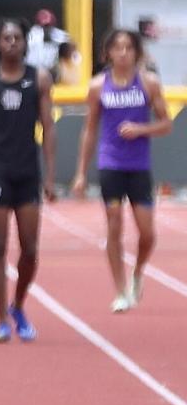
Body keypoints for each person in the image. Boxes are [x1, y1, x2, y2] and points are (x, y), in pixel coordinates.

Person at [71, 29, 171, 313]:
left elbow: (166, 124)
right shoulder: (98, 86)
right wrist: (80, 172)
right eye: (118, 48)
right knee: (114, 225)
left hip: (139, 166)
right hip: (110, 164)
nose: (123, 53)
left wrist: (142, 129)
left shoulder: (148, 84)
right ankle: (120, 290)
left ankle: (138, 271)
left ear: (136, 52)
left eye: (128, 48)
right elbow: (89, 130)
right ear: (108, 53)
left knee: (147, 233)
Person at [0, 19, 56, 343]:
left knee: (31, 248)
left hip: (27, 170)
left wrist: (49, 175)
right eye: (5, 37)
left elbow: (49, 127)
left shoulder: (39, 78)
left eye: (17, 38)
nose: (11, 43)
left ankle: (18, 304)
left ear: (25, 42)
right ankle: (1, 319)